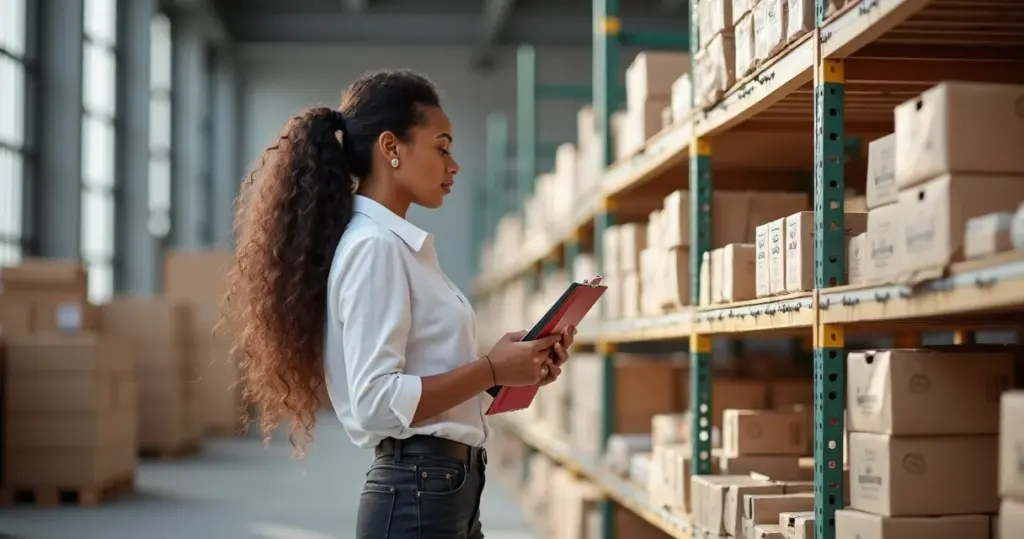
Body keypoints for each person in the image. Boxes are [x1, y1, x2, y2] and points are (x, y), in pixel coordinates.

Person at [223, 69, 576, 538]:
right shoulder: (376, 248)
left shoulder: (399, 246)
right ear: (390, 148)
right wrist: (490, 369)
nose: (455, 165)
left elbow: (423, 384)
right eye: (442, 147)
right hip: (417, 497)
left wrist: (509, 371)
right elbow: (376, 402)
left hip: (444, 493)